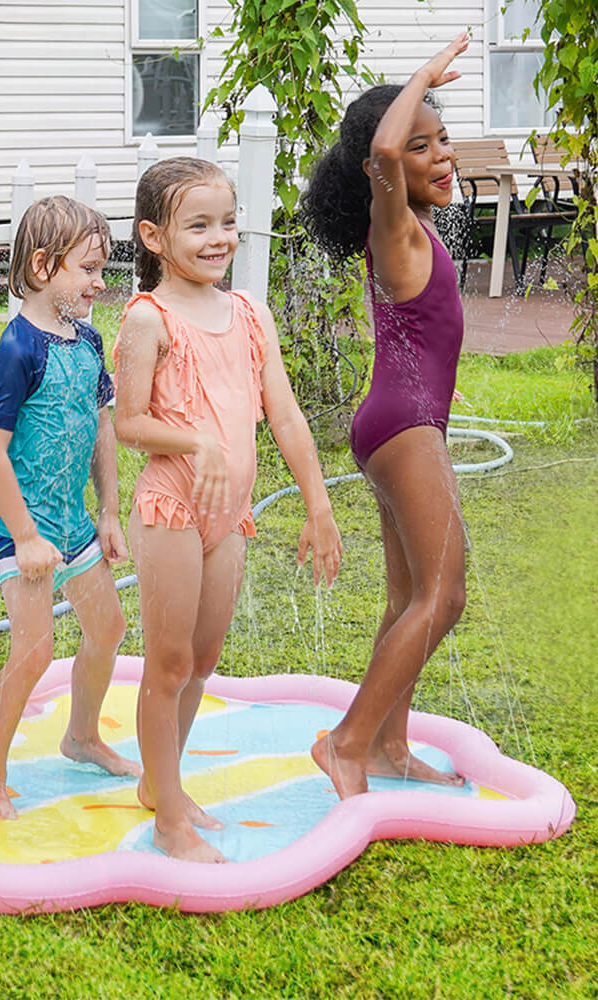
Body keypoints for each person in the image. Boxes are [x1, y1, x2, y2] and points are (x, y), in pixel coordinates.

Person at [113, 157, 342, 862]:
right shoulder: (147, 320)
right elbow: (128, 424)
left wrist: (318, 503)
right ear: (154, 236)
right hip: (174, 507)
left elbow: (285, 413)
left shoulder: (249, 313)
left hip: (229, 514)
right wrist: (197, 443)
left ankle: (163, 782)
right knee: (169, 663)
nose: (219, 238)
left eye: (228, 222)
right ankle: (169, 823)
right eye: (199, 225)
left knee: (204, 658)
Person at [300, 34, 471, 799]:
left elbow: (420, 330)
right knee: (446, 596)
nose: (441, 156)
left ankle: (389, 747)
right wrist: (424, 76)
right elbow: (381, 142)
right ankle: (346, 743)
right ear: (387, 169)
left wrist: (442, 386)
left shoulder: (414, 233)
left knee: (408, 600)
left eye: (444, 142)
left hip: (399, 415)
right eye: (423, 145)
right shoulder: (393, 220)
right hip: (403, 426)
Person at [0, 195, 140, 820]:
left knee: (108, 627)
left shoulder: (89, 342)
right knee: (35, 650)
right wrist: (26, 536)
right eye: (88, 269)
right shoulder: (19, 350)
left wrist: (111, 513)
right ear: (42, 266)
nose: (100, 282)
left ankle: (82, 735)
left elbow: (102, 428)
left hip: (73, 523)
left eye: (102, 269)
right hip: (24, 527)